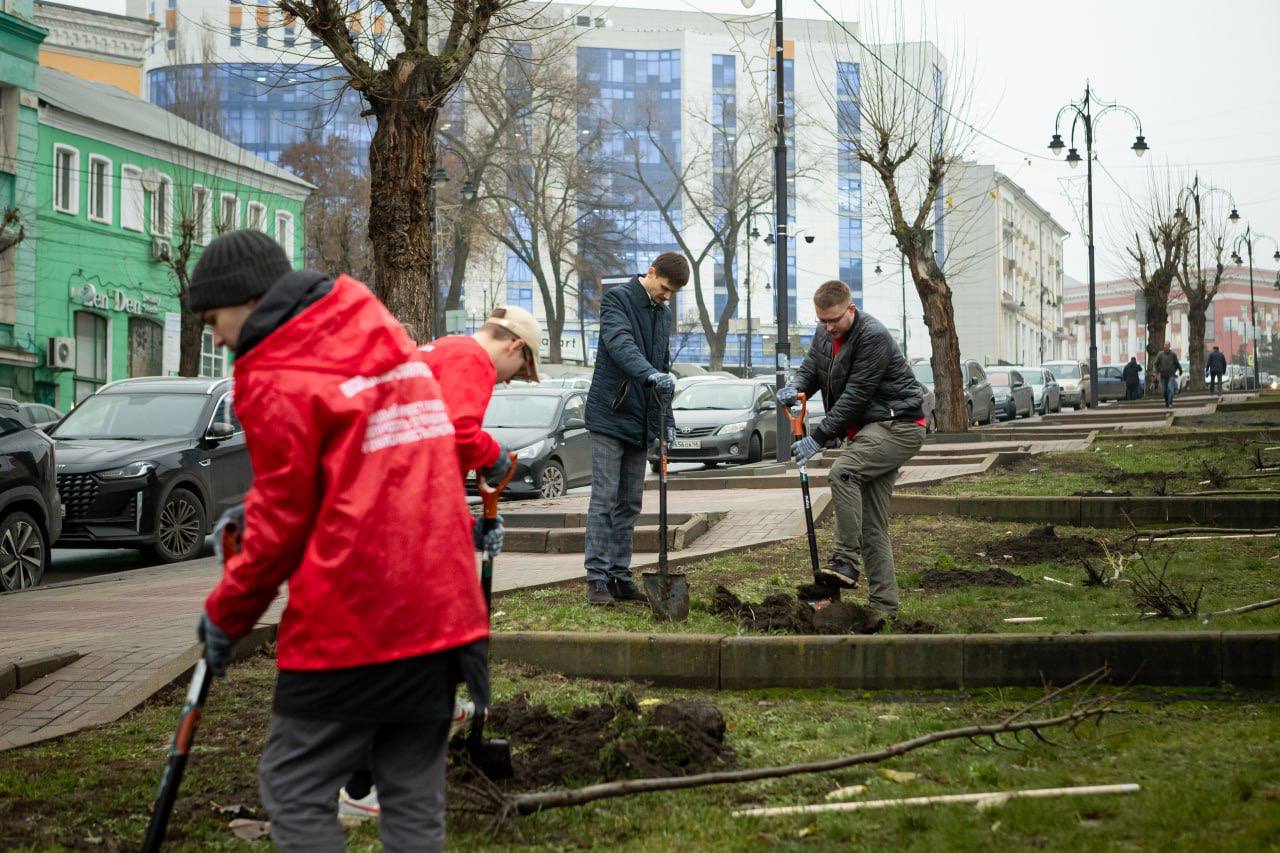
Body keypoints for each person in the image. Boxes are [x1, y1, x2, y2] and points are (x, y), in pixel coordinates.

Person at [190, 229, 491, 852]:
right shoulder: (371, 327)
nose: (217, 339)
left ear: (248, 303)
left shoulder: (275, 368)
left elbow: (282, 520)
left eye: (214, 320)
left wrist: (227, 615)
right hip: (441, 610)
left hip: (359, 616)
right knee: (412, 793)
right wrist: (254, 510)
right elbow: (359, 467)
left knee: (295, 783)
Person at [336, 305, 544, 821]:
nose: (515, 377)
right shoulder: (471, 360)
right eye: (523, 368)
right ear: (515, 346)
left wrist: (470, 529)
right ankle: (362, 788)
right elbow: (455, 430)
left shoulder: (438, 352)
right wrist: (493, 453)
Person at [777, 280, 925, 623]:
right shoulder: (823, 336)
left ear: (851, 310)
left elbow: (856, 395)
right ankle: (884, 609)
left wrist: (819, 438)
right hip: (867, 432)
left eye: (834, 321)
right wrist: (794, 390)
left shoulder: (872, 336)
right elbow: (811, 371)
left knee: (843, 471)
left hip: (899, 426)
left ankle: (845, 560)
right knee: (873, 525)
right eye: (822, 321)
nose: (828, 328)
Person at [582, 252, 690, 605]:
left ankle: (619, 575)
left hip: (641, 419)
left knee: (629, 502)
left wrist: (666, 423)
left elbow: (663, 368)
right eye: (665, 288)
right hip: (610, 414)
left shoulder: (663, 313)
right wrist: (650, 375)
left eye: (673, 292)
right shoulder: (618, 300)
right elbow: (620, 346)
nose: (667, 296)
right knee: (605, 498)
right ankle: (596, 578)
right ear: (651, 272)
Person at [1154, 341, 1182, 408]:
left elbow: (1177, 363)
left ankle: (1170, 403)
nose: (1165, 346)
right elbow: (1155, 364)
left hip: (1171, 375)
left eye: (1167, 345)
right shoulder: (1160, 354)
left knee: (1170, 389)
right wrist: (1157, 371)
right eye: (1165, 345)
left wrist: (1180, 370)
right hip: (1163, 375)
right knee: (1164, 391)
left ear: (1169, 346)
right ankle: (1167, 402)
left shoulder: (1173, 354)